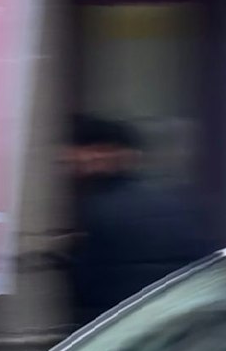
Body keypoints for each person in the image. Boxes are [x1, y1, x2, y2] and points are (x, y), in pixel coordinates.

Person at [61, 115, 210, 330]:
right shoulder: (173, 202)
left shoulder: (95, 210)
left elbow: (90, 283)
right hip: (164, 323)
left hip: (113, 329)